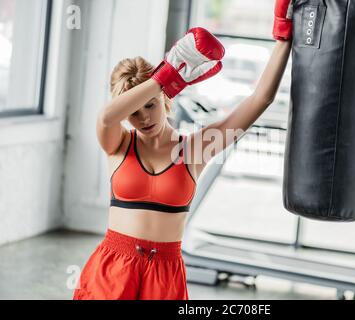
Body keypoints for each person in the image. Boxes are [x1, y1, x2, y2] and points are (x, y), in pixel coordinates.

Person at [73, 0, 293, 300]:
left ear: (165, 99)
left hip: (164, 275)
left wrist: (283, 37)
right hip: (113, 268)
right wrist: (164, 78)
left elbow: (259, 101)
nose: (144, 118)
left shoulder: (195, 149)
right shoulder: (118, 143)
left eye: (150, 106)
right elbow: (106, 116)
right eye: (134, 112)